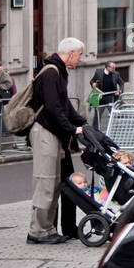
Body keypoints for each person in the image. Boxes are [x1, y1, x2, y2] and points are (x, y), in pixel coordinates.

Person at [27, 38, 87, 245]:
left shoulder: (58, 72)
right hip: (45, 131)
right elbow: (54, 108)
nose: (80, 59)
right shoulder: (52, 73)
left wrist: (83, 124)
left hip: (53, 132)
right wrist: (73, 129)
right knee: (45, 181)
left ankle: (47, 228)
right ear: (70, 53)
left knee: (53, 182)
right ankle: (38, 231)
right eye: (79, 54)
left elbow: (65, 107)